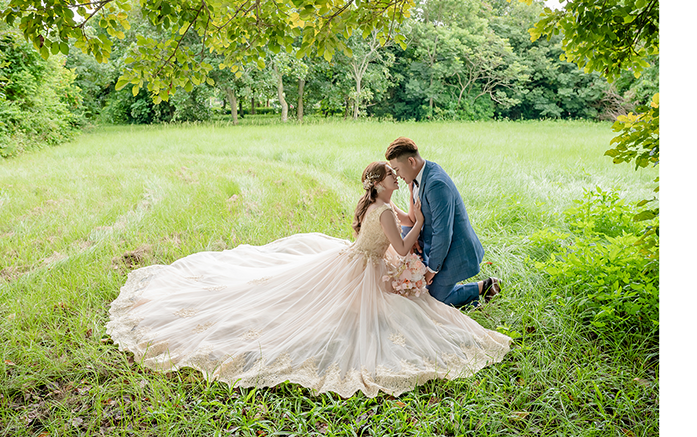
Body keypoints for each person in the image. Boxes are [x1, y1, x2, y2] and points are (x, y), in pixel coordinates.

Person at [106, 161, 511, 398]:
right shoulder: (385, 212)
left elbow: (391, 226)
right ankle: (473, 292)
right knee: (397, 312)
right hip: (367, 269)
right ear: (379, 184)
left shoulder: (376, 205)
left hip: (352, 259)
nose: (396, 182)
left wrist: (409, 211)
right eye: (392, 179)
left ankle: (473, 291)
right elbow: (402, 250)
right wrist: (419, 220)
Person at [385, 137, 501, 308]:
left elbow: (443, 234)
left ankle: (485, 286)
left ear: (411, 161)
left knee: (434, 298)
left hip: (454, 251)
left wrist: (431, 271)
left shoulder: (436, 184)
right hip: (430, 244)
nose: (398, 176)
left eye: (397, 169)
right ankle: (449, 286)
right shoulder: (417, 177)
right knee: (417, 285)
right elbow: (413, 219)